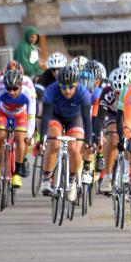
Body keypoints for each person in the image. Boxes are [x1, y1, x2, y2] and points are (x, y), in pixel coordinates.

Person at [38, 66, 93, 201]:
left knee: (74, 149)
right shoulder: (51, 90)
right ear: (58, 84)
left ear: (76, 85)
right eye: (63, 87)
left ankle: (72, 180)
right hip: (55, 116)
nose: (67, 91)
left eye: (70, 87)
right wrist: (42, 139)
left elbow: (86, 119)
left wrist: (89, 141)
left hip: (76, 118)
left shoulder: (83, 92)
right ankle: (47, 177)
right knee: (54, 144)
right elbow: (45, 117)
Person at [0, 62, 36, 189]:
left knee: (20, 138)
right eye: (9, 89)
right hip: (3, 112)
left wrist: (29, 135)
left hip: (21, 114)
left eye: (15, 89)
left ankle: (17, 173)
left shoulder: (28, 90)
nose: (11, 92)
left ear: (21, 85)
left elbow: (31, 116)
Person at [94, 67, 131, 193]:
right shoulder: (106, 92)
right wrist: (98, 135)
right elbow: (100, 118)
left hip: (129, 114)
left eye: (122, 92)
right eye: (116, 92)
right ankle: (107, 176)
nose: (119, 95)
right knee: (113, 135)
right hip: (112, 114)